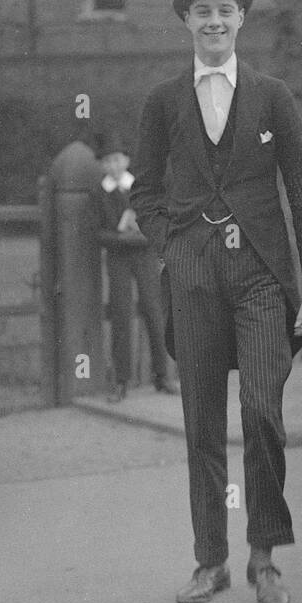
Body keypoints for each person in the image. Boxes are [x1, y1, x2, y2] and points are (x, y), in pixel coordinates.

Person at [129, 0, 302, 603]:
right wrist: (175, 247)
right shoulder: (163, 102)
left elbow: (301, 192)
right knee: (201, 425)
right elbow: (145, 191)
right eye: (202, 11)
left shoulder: (273, 97)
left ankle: (265, 558)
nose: (214, 21)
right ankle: (209, 560)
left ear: (241, 19)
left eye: (226, 10)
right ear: (188, 22)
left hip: (261, 277)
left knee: (263, 412)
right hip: (194, 279)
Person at [93, 132, 176, 402]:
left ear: (126, 160)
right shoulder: (100, 192)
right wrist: (117, 236)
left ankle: (161, 376)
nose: (113, 166)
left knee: (154, 311)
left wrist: (145, 234)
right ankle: (121, 381)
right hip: (118, 258)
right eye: (107, 162)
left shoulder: (140, 187)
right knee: (121, 314)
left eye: (117, 160)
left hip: (143, 255)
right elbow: (96, 232)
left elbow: (157, 218)